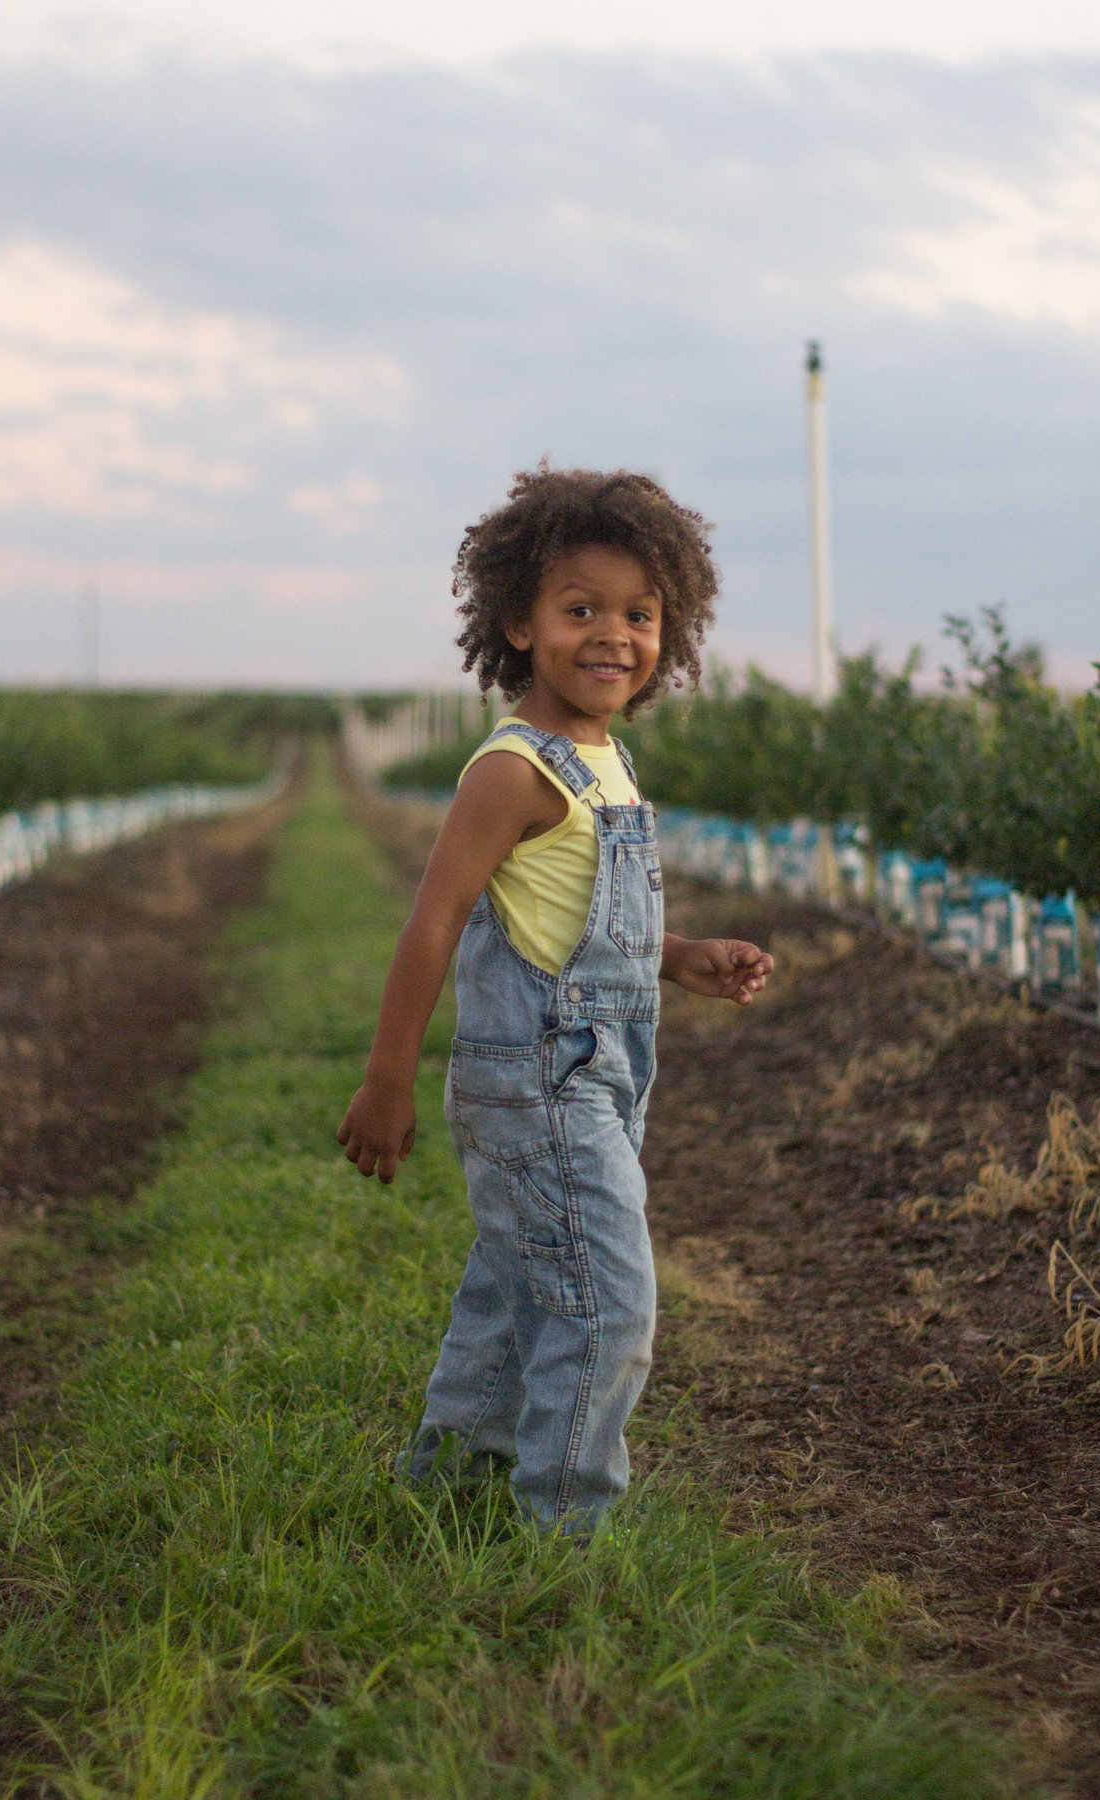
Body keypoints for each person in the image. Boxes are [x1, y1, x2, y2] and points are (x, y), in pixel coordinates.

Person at [337, 465, 774, 1534]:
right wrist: (387, 1080)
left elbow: (569, 922)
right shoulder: (513, 770)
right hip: (537, 1081)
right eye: (581, 610)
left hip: (597, 1070)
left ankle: (445, 1481)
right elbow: (435, 923)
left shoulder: (605, 758)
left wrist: (679, 956)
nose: (613, 635)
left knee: (520, 1285)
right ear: (519, 624)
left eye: (639, 613)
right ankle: (564, 1531)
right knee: (610, 1302)